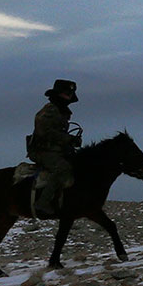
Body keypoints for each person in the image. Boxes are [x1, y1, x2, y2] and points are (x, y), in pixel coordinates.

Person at [27, 79, 82, 218]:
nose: (68, 97)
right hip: (41, 151)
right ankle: (42, 203)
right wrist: (68, 139)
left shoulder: (61, 111)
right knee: (62, 168)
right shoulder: (50, 110)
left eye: (69, 94)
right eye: (65, 94)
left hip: (55, 149)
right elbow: (44, 132)